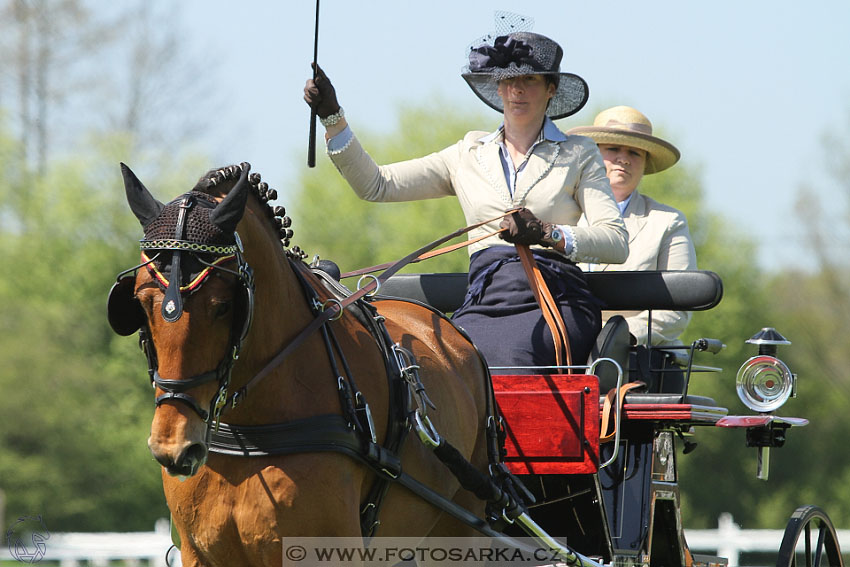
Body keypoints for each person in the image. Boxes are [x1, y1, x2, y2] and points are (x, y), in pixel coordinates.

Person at [304, 29, 628, 372]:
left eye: (529, 79)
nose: (516, 89)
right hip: (485, 299)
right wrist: (333, 118)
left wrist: (547, 233)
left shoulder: (579, 154)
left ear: (551, 89)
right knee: (442, 367)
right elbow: (377, 185)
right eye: (508, 79)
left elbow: (616, 241)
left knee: (512, 360)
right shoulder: (467, 154)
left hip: (555, 299)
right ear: (498, 87)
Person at [569, 106, 697, 346]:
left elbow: (677, 309)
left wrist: (617, 337)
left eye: (635, 152)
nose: (624, 159)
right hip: (560, 346)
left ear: (645, 163)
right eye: (613, 149)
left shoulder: (667, 222)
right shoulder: (561, 214)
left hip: (636, 355)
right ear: (592, 156)